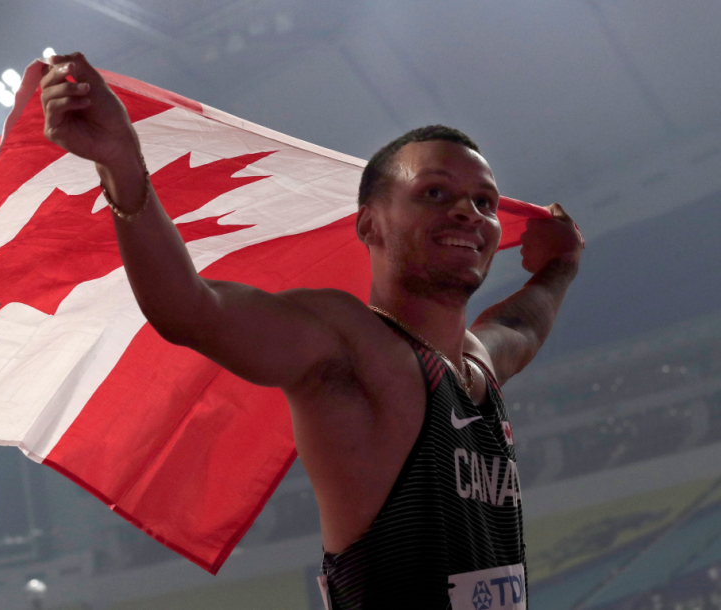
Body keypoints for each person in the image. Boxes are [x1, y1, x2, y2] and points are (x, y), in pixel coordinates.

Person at [39, 52, 583, 609]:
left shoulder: (474, 366)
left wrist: (561, 267)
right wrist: (121, 164)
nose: (470, 212)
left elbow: (520, 325)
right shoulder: (349, 345)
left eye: (485, 202)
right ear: (369, 222)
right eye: (435, 193)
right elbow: (190, 308)